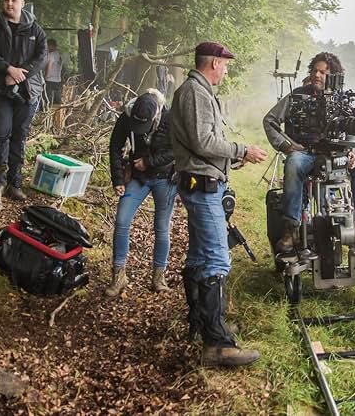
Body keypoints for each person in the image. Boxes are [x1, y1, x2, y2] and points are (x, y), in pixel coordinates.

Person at [170, 41, 267, 367]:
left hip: (203, 182)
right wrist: (242, 150)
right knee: (216, 259)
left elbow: (202, 146)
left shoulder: (196, 91)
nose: (226, 70)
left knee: (199, 257)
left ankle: (203, 324)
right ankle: (217, 344)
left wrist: (230, 163)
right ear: (213, 63)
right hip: (202, 189)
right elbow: (203, 141)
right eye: (225, 64)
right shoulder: (195, 93)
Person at [262, 51, 355, 253]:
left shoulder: (344, 100)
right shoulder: (296, 96)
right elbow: (270, 121)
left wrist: (353, 152)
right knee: (293, 163)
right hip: (306, 153)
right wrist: (286, 145)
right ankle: (291, 228)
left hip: (339, 155)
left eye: (323, 72)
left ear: (335, 76)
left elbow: (354, 128)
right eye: (314, 71)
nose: (317, 75)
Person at [104, 88, 176, 297]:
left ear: (155, 115)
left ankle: (158, 277)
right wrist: (118, 178)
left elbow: (176, 151)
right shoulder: (127, 115)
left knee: (161, 227)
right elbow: (115, 146)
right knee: (121, 220)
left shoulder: (170, 118)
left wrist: (149, 162)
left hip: (165, 178)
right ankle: (118, 276)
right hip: (138, 177)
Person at [0, 0, 47, 202]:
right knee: (0, 134)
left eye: (14, 0)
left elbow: (41, 57)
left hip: (27, 92)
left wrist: (19, 75)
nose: (9, 4)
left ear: (22, 3)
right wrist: (8, 69)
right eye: (6, 0)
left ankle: (15, 184)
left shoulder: (35, 29)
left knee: (19, 137)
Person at [43, 38, 63, 106]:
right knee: (57, 100)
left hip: (50, 80)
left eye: (47, 45)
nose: (46, 47)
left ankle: (47, 113)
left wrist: (46, 76)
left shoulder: (51, 55)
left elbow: (49, 65)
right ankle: (58, 115)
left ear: (51, 45)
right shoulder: (59, 55)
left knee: (48, 100)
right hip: (58, 80)